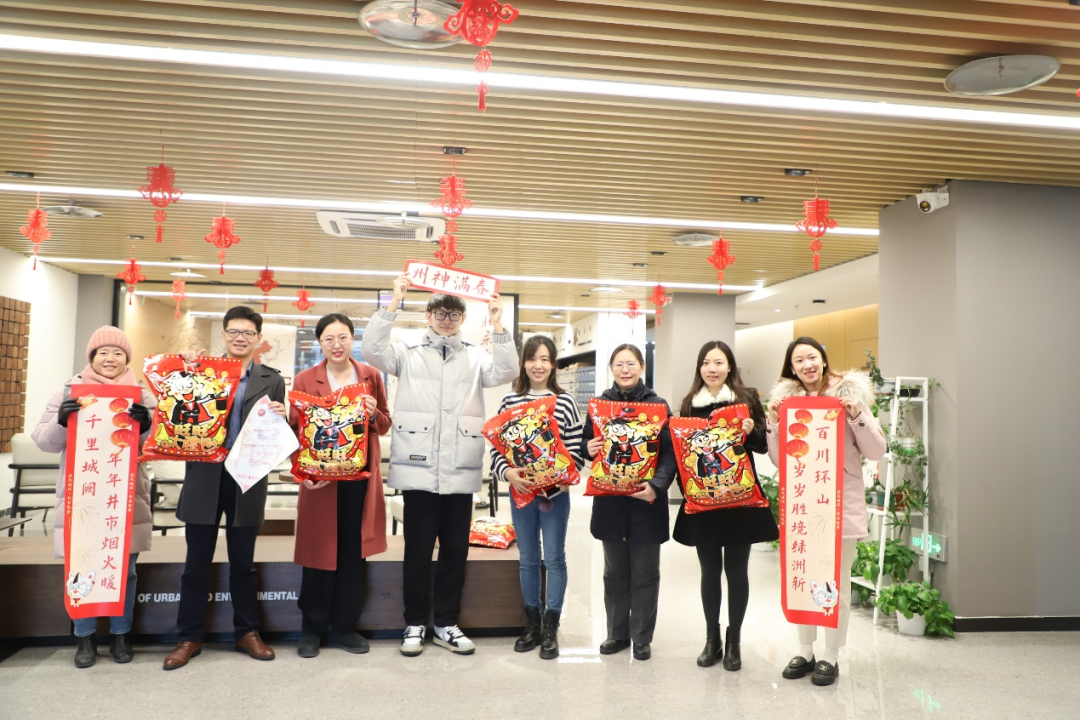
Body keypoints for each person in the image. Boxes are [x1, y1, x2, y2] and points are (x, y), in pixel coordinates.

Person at [361, 276, 517, 656]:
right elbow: (372, 350)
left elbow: (507, 371)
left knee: (454, 553)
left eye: (454, 314)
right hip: (419, 467)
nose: (447, 320)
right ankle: (415, 622)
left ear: (463, 318)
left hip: (459, 467)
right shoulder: (407, 352)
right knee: (417, 551)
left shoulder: (475, 356)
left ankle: (446, 623)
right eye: (440, 313)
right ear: (428, 315)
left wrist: (498, 323)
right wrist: (393, 303)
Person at [163, 306, 287, 670]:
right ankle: (189, 636)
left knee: (243, 563)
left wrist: (283, 417)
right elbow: (172, 403)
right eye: (233, 331)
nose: (240, 338)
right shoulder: (200, 371)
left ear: (259, 339)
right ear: (223, 335)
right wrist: (183, 368)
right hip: (204, 474)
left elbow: (278, 433)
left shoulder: (272, 380)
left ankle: (247, 632)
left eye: (248, 333)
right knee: (195, 563)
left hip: (247, 476)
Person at [31, 327, 155, 668]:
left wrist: (146, 426)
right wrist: (61, 421)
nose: (110, 358)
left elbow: (159, 446)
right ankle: (84, 637)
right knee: (81, 567)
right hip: (82, 496)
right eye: (103, 352)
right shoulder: (68, 392)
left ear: (127, 358)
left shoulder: (142, 396)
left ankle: (120, 634)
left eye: (118, 353)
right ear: (92, 357)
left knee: (124, 570)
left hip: (124, 497)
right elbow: (43, 441)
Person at [766, 336, 886, 686]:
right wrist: (774, 423)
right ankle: (806, 650)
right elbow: (779, 460)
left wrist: (857, 415)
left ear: (823, 359)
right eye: (799, 360)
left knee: (837, 583)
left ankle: (831, 655)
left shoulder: (848, 396)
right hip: (803, 505)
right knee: (802, 578)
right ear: (792, 368)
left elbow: (876, 451)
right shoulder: (786, 404)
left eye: (812, 357)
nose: (807, 365)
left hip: (838, 506)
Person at [673, 341, 779, 670]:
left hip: (739, 498)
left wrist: (750, 432)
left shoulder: (746, 398)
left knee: (736, 570)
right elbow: (683, 452)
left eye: (719, 362)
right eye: (706, 362)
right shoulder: (690, 403)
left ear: (730, 366)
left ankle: (734, 643)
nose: (712, 368)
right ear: (700, 368)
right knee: (709, 571)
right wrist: (687, 489)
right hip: (703, 500)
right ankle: (712, 640)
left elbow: (762, 445)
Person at [291, 313, 391, 658]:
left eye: (343, 337)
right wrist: (305, 475)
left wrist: (374, 412)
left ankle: (344, 627)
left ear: (353, 339)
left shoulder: (370, 376)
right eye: (329, 338)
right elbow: (296, 430)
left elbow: (385, 424)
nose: (337, 345)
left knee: (352, 553)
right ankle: (312, 628)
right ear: (319, 343)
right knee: (318, 552)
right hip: (320, 481)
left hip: (358, 479)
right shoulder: (306, 379)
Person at [489, 336, 584, 660]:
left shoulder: (565, 402)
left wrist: (564, 477)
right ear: (524, 363)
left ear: (553, 364)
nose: (538, 365)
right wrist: (508, 474)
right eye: (532, 358)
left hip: (555, 495)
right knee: (528, 558)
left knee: (554, 558)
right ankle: (532, 623)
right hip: (521, 493)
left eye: (545, 359)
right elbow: (497, 451)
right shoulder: (510, 401)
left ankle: (551, 626)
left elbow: (575, 449)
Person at [580, 344, 676, 661]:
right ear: (611, 368)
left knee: (646, 572)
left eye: (631, 363)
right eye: (619, 364)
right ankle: (616, 634)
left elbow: (670, 452)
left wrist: (657, 486)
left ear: (642, 366)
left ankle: (642, 638)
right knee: (614, 573)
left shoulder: (658, 406)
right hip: (610, 503)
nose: (625, 369)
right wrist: (587, 447)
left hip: (646, 501)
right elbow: (586, 443)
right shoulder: (600, 406)